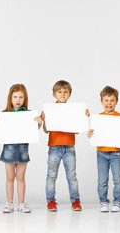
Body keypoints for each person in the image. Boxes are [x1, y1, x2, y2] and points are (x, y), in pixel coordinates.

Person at [0, 84, 42, 213]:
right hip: (9, 150)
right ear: (10, 98)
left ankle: (22, 204)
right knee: (10, 177)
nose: (18, 100)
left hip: (23, 150)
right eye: (15, 97)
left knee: (20, 177)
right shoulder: (4, 114)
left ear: (25, 99)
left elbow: (33, 131)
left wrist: (39, 123)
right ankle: (9, 203)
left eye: (20, 97)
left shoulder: (28, 114)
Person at [41, 80, 90, 212]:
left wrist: (84, 117)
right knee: (51, 175)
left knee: (72, 176)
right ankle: (50, 201)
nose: (62, 94)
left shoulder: (74, 110)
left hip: (69, 148)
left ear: (70, 94)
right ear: (54, 94)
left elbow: (78, 130)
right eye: (59, 92)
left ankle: (75, 201)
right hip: (54, 147)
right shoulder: (50, 110)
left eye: (65, 92)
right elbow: (46, 130)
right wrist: (44, 119)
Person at [87, 86, 120, 212]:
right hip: (101, 152)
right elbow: (94, 134)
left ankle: (117, 202)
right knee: (102, 180)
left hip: (116, 153)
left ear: (117, 101)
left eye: (112, 100)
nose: (109, 103)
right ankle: (103, 201)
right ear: (101, 102)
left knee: (118, 179)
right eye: (106, 100)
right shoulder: (98, 118)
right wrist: (90, 134)